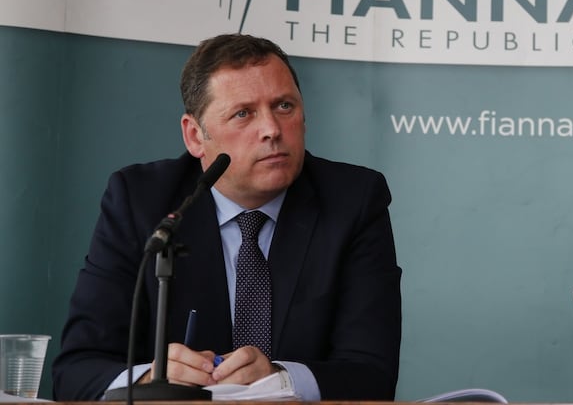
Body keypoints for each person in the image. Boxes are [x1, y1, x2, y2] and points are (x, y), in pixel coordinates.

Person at [53, 34, 402, 401]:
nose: (271, 129)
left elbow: (373, 375)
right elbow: (75, 372)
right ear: (195, 136)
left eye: (284, 106)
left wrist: (279, 378)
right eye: (243, 113)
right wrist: (151, 378)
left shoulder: (353, 201)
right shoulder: (142, 203)